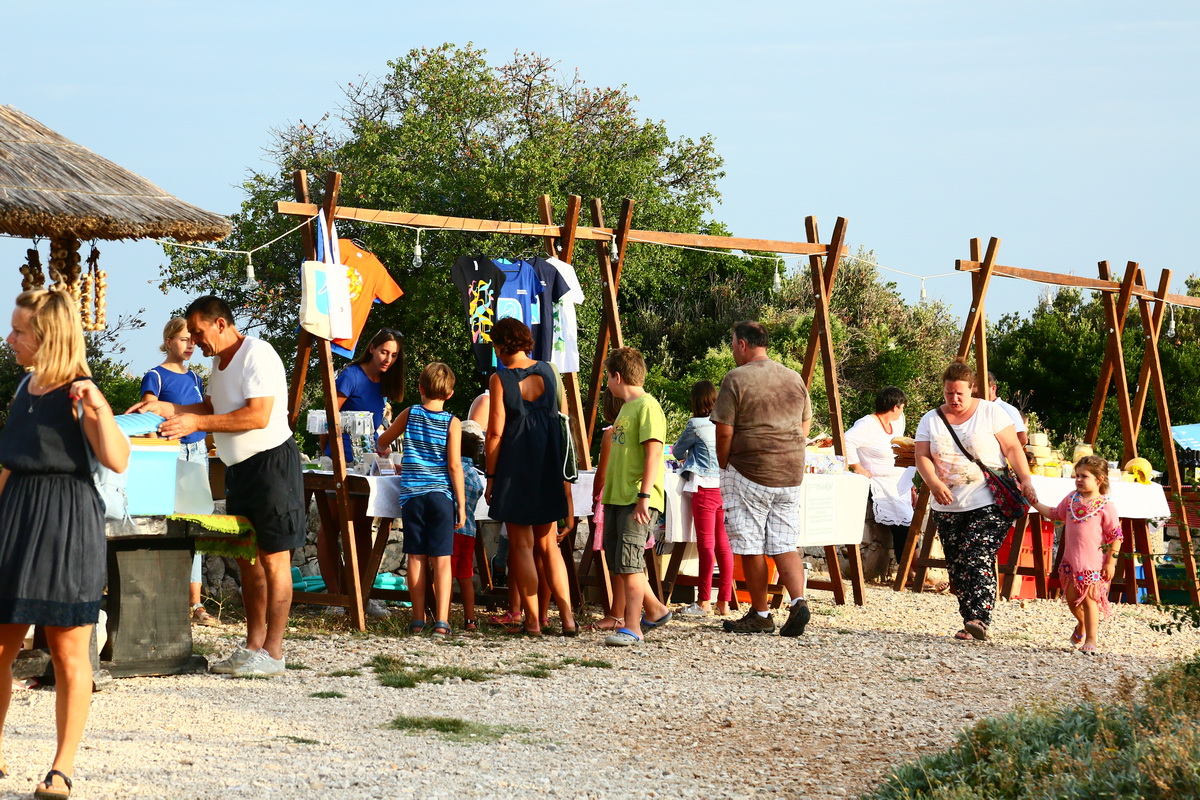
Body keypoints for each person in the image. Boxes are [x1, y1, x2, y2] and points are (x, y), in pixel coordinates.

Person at [131, 295, 305, 677]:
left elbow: (257, 416)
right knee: (248, 559)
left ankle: (274, 654)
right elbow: (210, 408)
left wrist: (196, 425)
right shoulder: (217, 363)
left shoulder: (258, 354)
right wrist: (167, 409)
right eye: (190, 334)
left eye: (198, 331)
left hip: (272, 465)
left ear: (221, 324)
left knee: (275, 560)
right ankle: (253, 645)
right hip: (238, 469)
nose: (195, 340)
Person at [0, 288, 130, 800]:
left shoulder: (81, 391)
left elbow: (118, 459)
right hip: (16, 518)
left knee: (68, 649)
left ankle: (61, 769)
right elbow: (10, 466)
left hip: (66, 522)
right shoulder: (22, 387)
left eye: (18, 331)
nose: (10, 337)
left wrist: (99, 405)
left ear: (46, 336)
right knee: (1, 644)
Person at [914, 359, 1037, 641]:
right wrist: (933, 484)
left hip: (987, 497)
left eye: (960, 393)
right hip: (947, 501)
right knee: (957, 561)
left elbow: (1012, 448)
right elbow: (922, 456)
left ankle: (980, 618)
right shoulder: (930, 419)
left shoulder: (990, 412)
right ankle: (969, 619)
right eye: (949, 394)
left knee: (976, 554)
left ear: (972, 390)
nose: (955, 399)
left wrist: (1026, 478)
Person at [712, 321, 813, 637]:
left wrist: (724, 463)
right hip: (790, 472)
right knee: (784, 541)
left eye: (732, 344)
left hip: (750, 469)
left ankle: (760, 613)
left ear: (742, 344)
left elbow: (724, 429)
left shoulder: (736, 378)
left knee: (750, 542)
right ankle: (798, 601)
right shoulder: (793, 377)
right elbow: (805, 425)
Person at [484, 318, 576, 637]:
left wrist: (492, 477)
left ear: (501, 346)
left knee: (522, 546)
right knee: (549, 546)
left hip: (516, 465)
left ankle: (534, 621)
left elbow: (495, 433)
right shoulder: (551, 371)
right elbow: (560, 420)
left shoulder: (501, 378)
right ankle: (567, 619)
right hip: (548, 463)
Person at [316, 329, 404, 619]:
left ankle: (361, 595)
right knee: (332, 528)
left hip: (366, 469)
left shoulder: (385, 383)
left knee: (365, 529)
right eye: (384, 352)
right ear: (372, 348)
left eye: (393, 355)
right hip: (338, 466)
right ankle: (334, 597)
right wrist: (327, 456)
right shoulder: (351, 376)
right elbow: (328, 418)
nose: (388, 359)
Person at [376, 363, 466, 636]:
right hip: (440, 496)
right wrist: (461, 505)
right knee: (441, 559)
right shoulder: (453, 422)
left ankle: (417, 620)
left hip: (413, 496)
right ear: (450, 394)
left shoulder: (410, 413)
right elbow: (454, 466)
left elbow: (384, 441)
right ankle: (442, 621)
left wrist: (387, 456)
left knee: (415, 557)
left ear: (420, 388)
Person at [139, 318, 218, 627]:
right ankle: (161, 598)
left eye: (193, 340)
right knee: (164, 522)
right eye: (184, 339)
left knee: (194, 524)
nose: (190, 345)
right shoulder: (155, 376)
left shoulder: (197, 379)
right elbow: (148, 417)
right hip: (170, 454)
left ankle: (196, 604)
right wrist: (157, 454)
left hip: (197, 454)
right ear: (169, 340)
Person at [600, 346, 673, 647]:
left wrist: (644, 495)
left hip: (635, 499)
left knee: (630, 562)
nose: (606, 384)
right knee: (618, 561)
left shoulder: (647, 406)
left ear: (617, 376)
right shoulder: (624, 409)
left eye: (607, 377)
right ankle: (655, 610)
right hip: (616, 498)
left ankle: (632, 627)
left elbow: (654, 452)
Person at [1032, 455, 1120, 654]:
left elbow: (1116, 536)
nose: (1079, 479)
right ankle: (1081, 624)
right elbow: (1055, 514)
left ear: (1099, 479)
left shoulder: (1106, 506)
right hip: (1071, 561)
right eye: (1077, 475)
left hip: (1093, 563)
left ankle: (1091, 639)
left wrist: (1111, 563)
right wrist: (1034, 503)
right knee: (1072, 599)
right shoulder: (1072, 498)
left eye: (1084, 476)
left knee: (1089, 600)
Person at [674, 380, 733, 617]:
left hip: (703, 487)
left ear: (696, 401)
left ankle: (704, 601)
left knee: (706, 545)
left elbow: (677, 451)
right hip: (724, 486)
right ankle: (724, 603)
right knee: (724, 546)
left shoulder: (695, 424)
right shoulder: (727, 422)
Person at [844, 386, 914, 562]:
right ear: (894, 407)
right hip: (880, 482)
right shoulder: (867, 425)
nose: (902, 411)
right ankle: (912, 569)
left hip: (899, 481)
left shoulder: (897, 422)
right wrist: (857, 466)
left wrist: (910, 483)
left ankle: (913, 568)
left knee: (910, 523)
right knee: (902, 525)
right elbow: (846, 440)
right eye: (902, 407)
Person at [451, 421, 486, 631]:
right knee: (465, 575)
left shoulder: (451, 470)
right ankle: (470, 619)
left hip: (452, 528)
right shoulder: (475, 475)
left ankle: (441, 615)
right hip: (469, 531)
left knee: (444, 571)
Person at [987, 372, 1028, 447]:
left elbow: (1022, 438)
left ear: (993, 388)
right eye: (974, 387)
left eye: (980, 387)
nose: (975, 391)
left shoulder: (1006, 409)